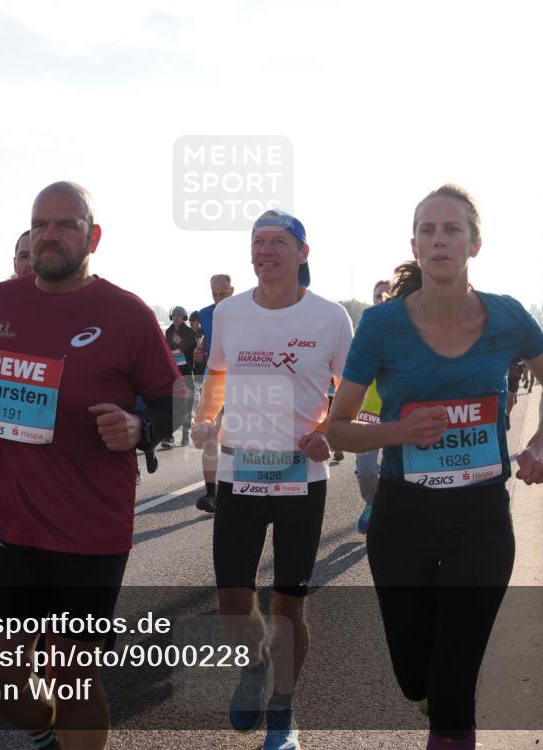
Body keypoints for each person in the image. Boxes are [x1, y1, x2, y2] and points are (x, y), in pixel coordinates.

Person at [327, 184, 543, 750]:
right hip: (403, 517)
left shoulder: (508, 317)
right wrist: (397, 432)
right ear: (415, 245)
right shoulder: (382, 326)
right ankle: (434, 696)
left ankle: (451, 715)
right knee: (417, 676)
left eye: (452, 229)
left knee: (456, 683)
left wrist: (539, 443)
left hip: (481, 519)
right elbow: (337, 427)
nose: (440, 240)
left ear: (475, 244)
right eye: (429, 231)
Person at [0, 181, 183, 750]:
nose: (49, 236)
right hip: (11, 524)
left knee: (72, 677)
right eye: (40, 224)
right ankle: (45, 732)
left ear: (92, 237)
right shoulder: (0, 302)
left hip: (90, 533)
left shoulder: (125, 313)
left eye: (65, 225)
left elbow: (175, 397)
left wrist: (139, 427)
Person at [192, 209, 352, 750]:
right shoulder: (229, 313)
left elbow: (353, 394)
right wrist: (207, 418)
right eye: (257, 242)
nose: (265, 251)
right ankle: (255, 665)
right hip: (241, 474)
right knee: (233, 602)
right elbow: (216, 374)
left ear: (302, 253)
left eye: (278, 242)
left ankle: (283, 710)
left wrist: (329, 430)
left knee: (289, 604)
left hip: (301, 478)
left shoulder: (330, 318)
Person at [193, 274, 234, 513]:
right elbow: (208, 340)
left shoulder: (246, 310)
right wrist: (201, 351)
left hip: (241, 379)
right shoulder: (206, 313)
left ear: (232, 290)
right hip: (214, 376)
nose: (219, 299)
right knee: (207, 433)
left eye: (223, 294)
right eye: (215, 294)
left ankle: (238, 487)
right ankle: (211, 494)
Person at [354, 278, 392, 535]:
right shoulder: (366, 329)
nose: (380, 299)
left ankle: (390, 512)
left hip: (398, 413)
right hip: (368, 411)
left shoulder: (411, 329)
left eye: (386, 295)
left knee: (396, 469)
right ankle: (372, 502)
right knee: (366, 469)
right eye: (377, 295)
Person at [162, 305, 197, 448]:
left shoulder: (189, 332)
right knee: (171, 404)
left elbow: (193, 352)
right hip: (173, 373)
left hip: (187, 372)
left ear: (184, 318)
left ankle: (185, 433)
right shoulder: (169, 331)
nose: (176, 317)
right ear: (171, 317)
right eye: (174, 315)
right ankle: (169, 436)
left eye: (179, 315)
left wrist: (180, 344)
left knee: (187, 405)